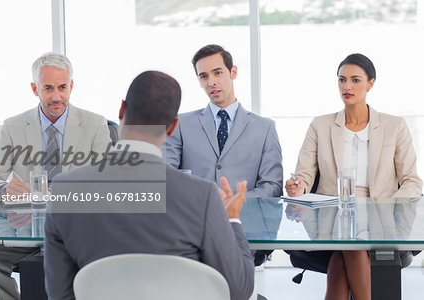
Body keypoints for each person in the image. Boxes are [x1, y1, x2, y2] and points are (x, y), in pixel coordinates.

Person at [44, 71, 255, 300]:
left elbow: (60, 294)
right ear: (173, 127)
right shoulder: (202, 197)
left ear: (122, 110)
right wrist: (232, 218)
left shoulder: (64, 191)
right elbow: (239, 290)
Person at [0, 52, 112, 300]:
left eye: (62, 87)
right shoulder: (15, 126)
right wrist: (2, 189)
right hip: (26, 230)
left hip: (77, 233)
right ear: (34, 89)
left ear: (71, 86)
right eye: (48, 88)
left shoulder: (95, 124)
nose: (56, 96)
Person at [285, 53, 422, 300]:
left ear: (370, 83)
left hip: (381, 217)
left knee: (342, 258)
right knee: (350, 243)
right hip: (333, 217)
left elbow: (412, 181)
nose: (347, 87)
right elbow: (304, 175)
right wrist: (298, 187)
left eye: (355, 80)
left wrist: (385, 207)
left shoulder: (394, 126)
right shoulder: (321, 125)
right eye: (341, 80)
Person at [165, 44, 283, 199]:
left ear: (233, 72)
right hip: (196, 218)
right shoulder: (180, 124)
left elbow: (273, 186)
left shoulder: (265, 128)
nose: (211, 82)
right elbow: (165, 177)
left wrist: (234, 201)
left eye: (218, 73)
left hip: (246, 219)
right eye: (204, 76)